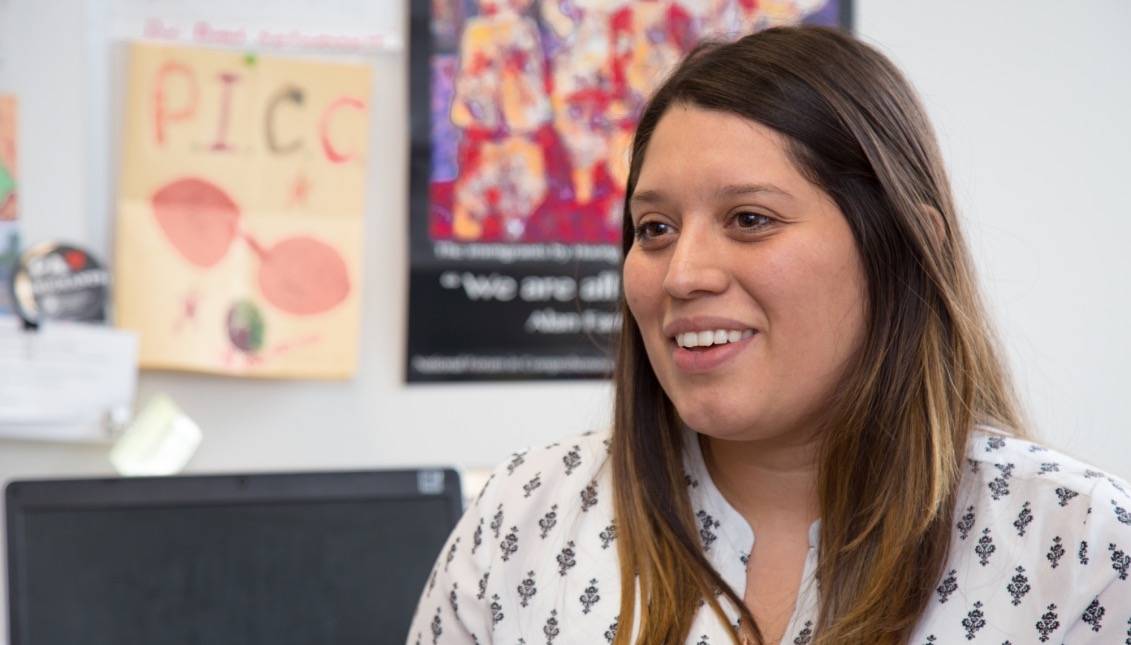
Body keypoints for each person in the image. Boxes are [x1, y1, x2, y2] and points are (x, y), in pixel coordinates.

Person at [406, 25, 1131, 644]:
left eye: (749, 219)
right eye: (653, 228)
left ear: (907, 247)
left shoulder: (1075, 543)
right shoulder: (522, 517)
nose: (681, 273)